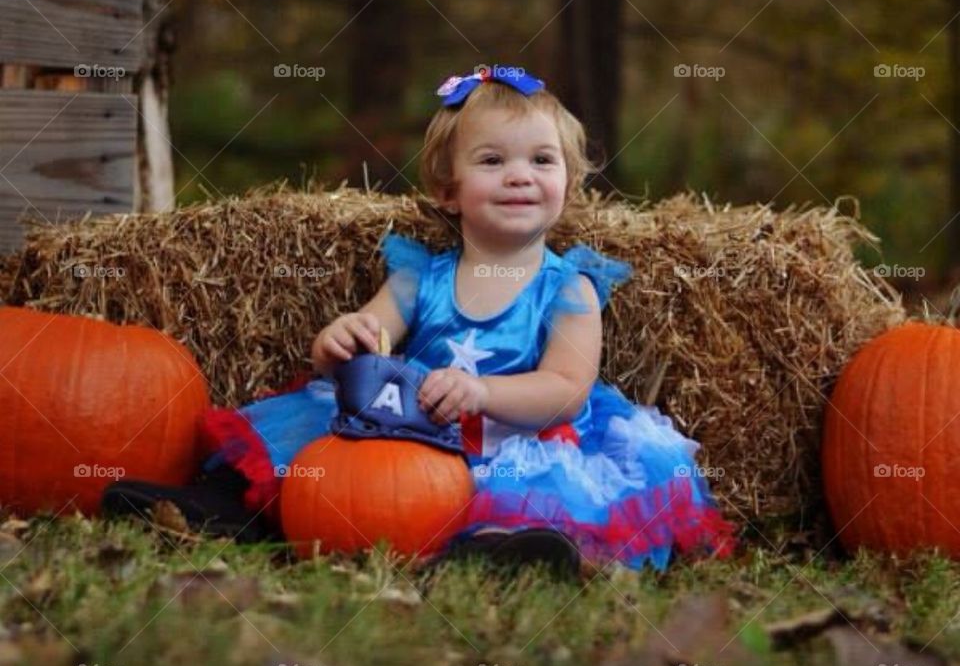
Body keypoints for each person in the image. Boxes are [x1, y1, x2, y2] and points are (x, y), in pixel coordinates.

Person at [103, 66, 735, 572]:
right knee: (311, 439)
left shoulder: (571, 288)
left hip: (516, 441)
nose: (520, 176)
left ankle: (499, 550)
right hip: (408, 430)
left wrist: (483, 392)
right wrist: (338, 342)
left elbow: (566, 392)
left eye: (542, 161)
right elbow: (371, 338)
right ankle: (219, 509)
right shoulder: (420, 276)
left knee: (527, 496)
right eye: (492, 162)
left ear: (568, 182)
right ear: (447, 189)